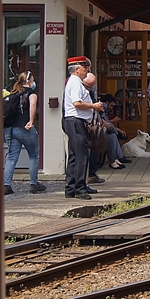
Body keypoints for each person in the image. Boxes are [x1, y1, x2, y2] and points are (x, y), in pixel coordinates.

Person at [63, 56, 101, 199]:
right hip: (75, 121)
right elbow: (77, 103)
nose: (87, 70)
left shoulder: (75, 82)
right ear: (77, 69)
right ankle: (80, 189)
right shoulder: (76, 83)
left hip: (75, 121)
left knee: (74, 155)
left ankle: (71, 187)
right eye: (85, 67)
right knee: (80, 155)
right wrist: (94, 106)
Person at [3, 71, 46, 195]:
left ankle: (6, 185)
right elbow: (32, 105)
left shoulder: (14, 93)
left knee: (11, 157)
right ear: (28, 81)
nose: (34, 82)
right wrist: (31, 121)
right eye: (32, 79)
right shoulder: (31, 93)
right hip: (25, 128)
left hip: (11, 129)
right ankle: (34, 184)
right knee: (33, 155)